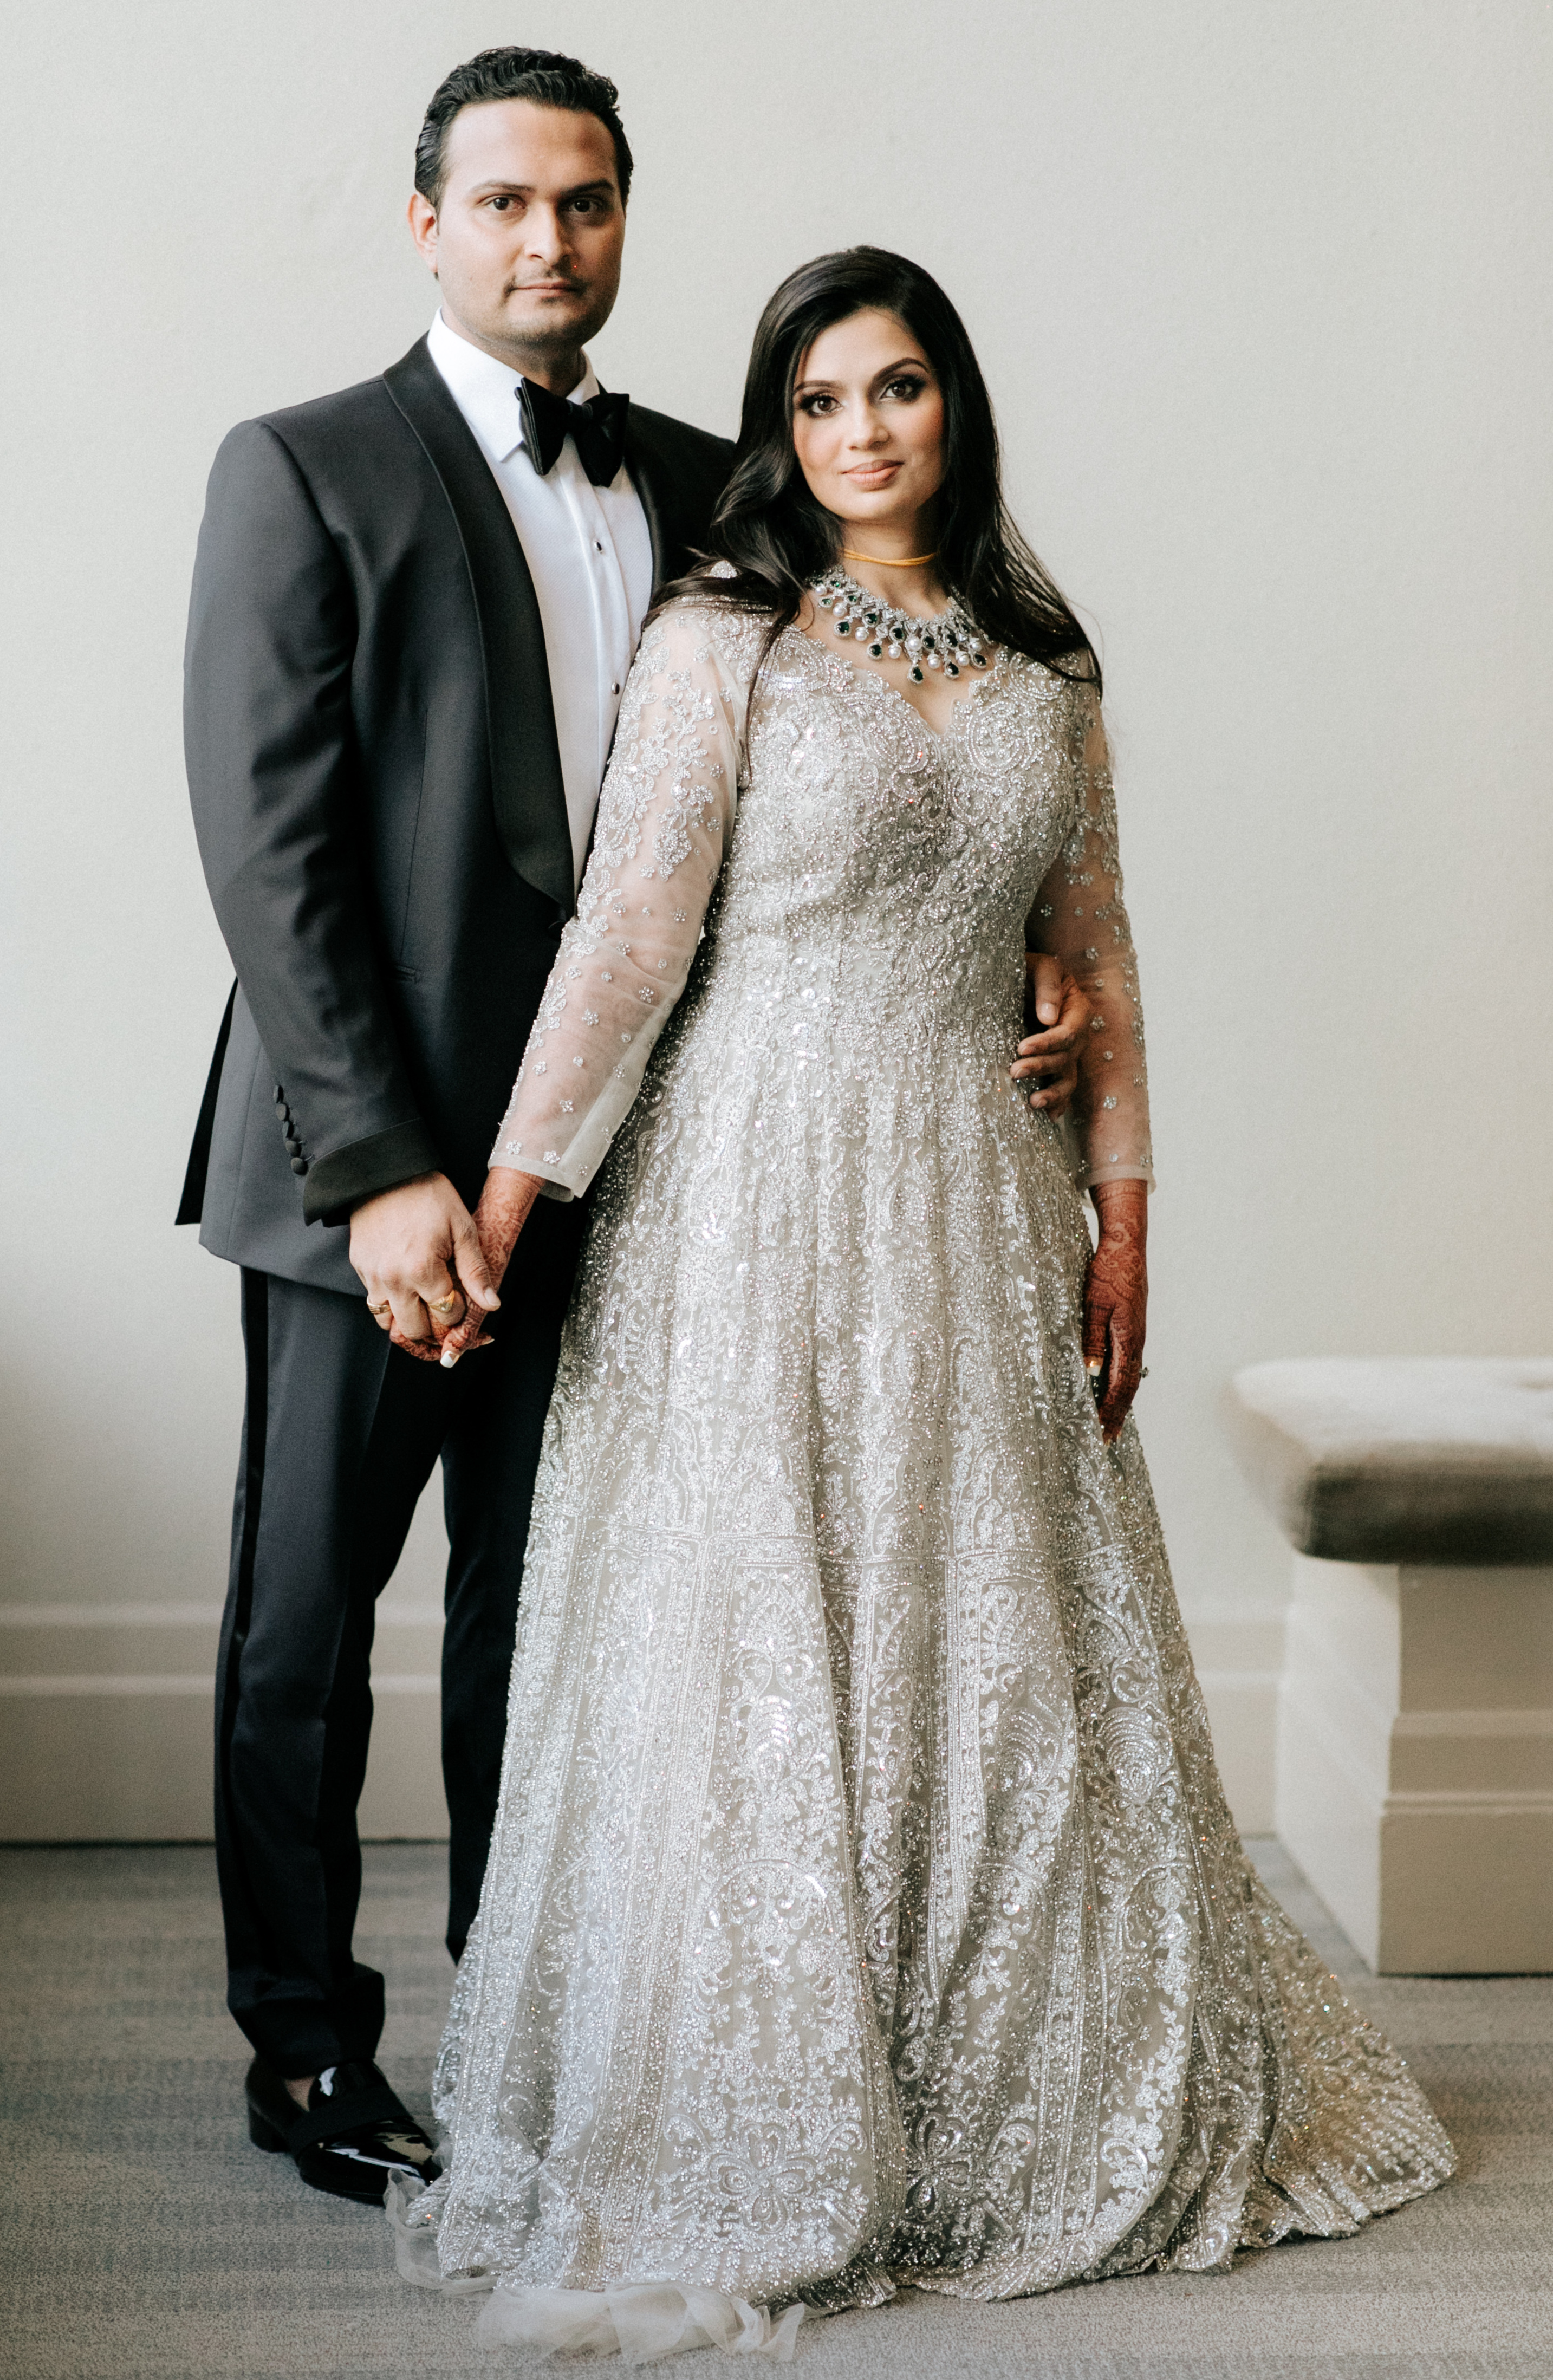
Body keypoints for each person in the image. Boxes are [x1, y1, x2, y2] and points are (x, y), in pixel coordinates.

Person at [391, 249, 1454, 2359]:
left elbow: (1100, 942)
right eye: (816, 403)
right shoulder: (727, 637)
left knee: (977, 1625)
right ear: (778, 431)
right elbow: (624, 939)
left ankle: (998, 2079)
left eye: (895, 390)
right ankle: (758, 2082)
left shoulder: (1045, 656)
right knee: (766, 1622)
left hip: (975, 1199)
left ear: (950, 403)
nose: (862, 432)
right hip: (753, 1189)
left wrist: (1123, 1214)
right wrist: (508, 1202)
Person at [179, 52, 1096, 2207]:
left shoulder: (716, 481)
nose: (545, 241)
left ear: (620, 219)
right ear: (424, 220)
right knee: (306, 1620)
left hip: (651, 1163)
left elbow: (886, 750)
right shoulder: (298, 468)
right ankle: (305, 2050)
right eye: (500, 202)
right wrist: (384, 1166)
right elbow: (268, 846)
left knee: (556, 1620)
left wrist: (1020, 961)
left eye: (583, 203)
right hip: (370, 1174)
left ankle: (523, 2015)